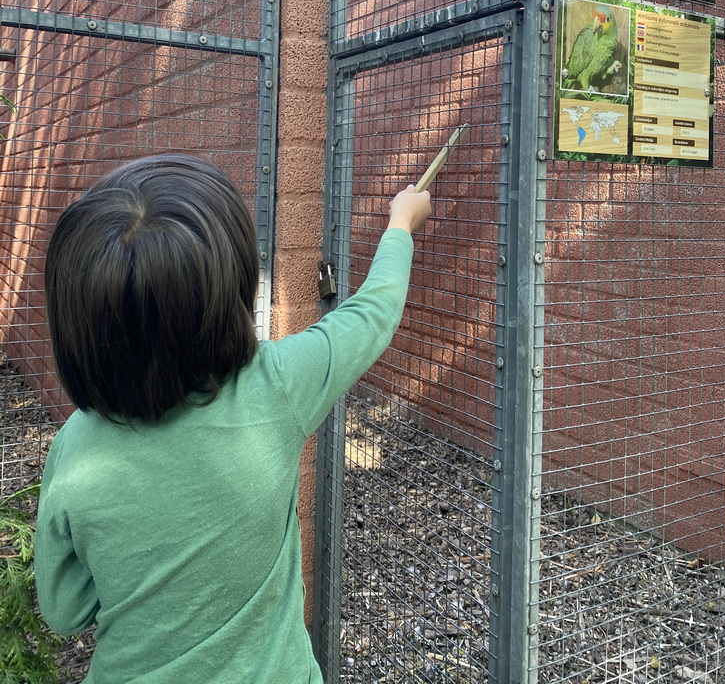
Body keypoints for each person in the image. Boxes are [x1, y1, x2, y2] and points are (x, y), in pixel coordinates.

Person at [35, 153, 431, 683]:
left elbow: (65, 611)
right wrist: (400, 223)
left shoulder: (73, 446)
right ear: (235, 289)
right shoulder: (277, 386)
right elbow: (373, 313)